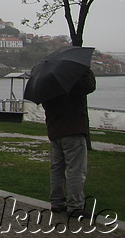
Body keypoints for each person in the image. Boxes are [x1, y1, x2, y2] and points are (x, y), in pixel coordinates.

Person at [43, 67, 96, 218]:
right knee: (76, 170)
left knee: (57, 169)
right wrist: (86, 69)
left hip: (55, 132)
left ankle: (57, 202)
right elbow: (89, 86)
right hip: (73, 131)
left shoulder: (48, 88)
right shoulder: (72, 84)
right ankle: (75, 206)